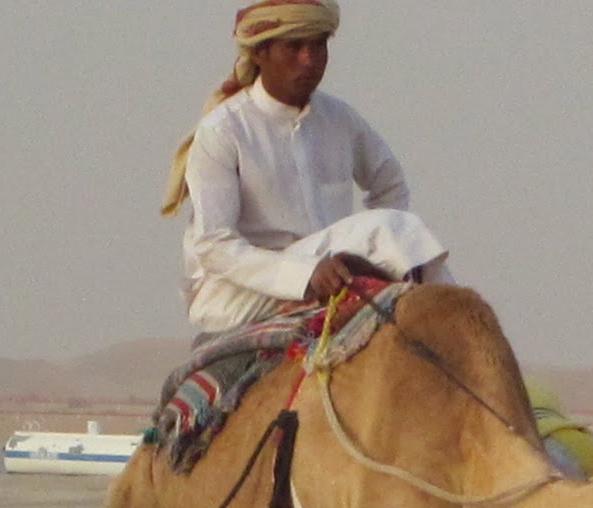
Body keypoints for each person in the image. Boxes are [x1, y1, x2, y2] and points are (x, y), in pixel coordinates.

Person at [162, 1, 452, 334]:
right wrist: (305, 274)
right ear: (259, 53)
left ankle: (451, 336)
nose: (309, 60)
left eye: (318, 46)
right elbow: (214, 246)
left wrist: (366, 263)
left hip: (328, 271)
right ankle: (452, 326)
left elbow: (389, 182)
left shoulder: (338, 119)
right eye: (294, 47)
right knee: (390, 228)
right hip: (238, 292)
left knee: (396, 231)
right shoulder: (223, 131)